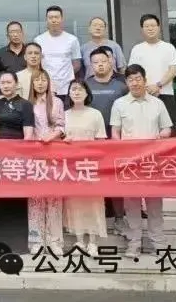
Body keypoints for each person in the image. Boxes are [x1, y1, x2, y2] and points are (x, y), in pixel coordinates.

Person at [110, 64, 173, 258]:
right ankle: (134, 243)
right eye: (130, 80)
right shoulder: (119, 104)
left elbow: (167, 128)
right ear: (126, 82)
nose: (135, 83)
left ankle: (158, 244)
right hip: (129, 163)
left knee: (154, 206)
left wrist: (162, 136)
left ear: (145, 80)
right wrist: (120, 149)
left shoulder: (158, 104)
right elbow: (115, 132)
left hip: (152, 162)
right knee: (131, 206)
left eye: (138, 79)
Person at [83, 46, 130, 233]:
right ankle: (94, 219)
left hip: (115, 140)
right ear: (90, 65)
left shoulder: (121, 86)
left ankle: (119, 218)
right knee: (93, 180)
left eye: (103, 61)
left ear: (110, 62)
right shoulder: (85, 85)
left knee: (116, 180)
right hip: (91, 141)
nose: (100, 65)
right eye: (95, 62)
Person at [63, 79, 108, 256]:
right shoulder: (64, 115)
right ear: (69, 93)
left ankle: (93, 242)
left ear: (87, 93)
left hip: (91, 165)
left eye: (80, 89)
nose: (76, 92)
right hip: (71, 167)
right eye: (73, 89)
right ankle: (79, 241)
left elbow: (101, 141)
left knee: (93, 203)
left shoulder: (95, 114)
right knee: (75, 204)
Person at [0, 72, 34, 255]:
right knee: (1, 199)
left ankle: (19, 245)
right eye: (3, 83)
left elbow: (28, 133)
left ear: (16, 84)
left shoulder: (25, 104)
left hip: (18, 158)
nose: (6, 85)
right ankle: (2, 243)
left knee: (18, 199)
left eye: (9, 82)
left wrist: (21, 155)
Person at [27, 68, 65, 256]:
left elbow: (62, 126)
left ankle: (54, 241)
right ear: (32, 83)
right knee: (35, 200)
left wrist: (51, 136)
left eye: (44, 80)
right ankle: (36, 241)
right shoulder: (27, 104)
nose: (40, 83)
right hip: (34, 156)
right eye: (37, 80)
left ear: (49, 83)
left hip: (53, 154)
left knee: (54, 199)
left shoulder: (57, 102)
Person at [127, 14, 176, 134]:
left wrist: (158, 85)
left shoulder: (168, 47)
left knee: (168, 129)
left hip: (165, 94)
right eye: (146, 26)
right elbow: (133, 73)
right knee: (145, 129)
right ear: (142, 29)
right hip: (143, 95)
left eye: (153, 25)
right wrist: (145, 88)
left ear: (158, 27)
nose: (150, 28)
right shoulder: (137, 49)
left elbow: (173, 71)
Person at [34, 5, 81, 106]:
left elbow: (77, 64)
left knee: (67, 114)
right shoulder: (38, 40)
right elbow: (36, 64)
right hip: (46, 88)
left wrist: (65, 77)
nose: (54, 20)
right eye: (51, 17)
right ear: (47, 20)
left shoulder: (72, 40)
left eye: (56, 17)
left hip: (67, 88)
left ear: (62, 19)